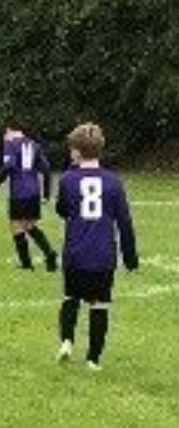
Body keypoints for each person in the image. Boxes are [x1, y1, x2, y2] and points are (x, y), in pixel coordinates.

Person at [54, 121, 139, 370]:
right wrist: (130, 256)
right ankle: (93, 359)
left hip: (75, 253)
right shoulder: (113, 182)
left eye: (72, 149)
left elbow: (61, 210)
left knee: (71, 297)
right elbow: (124, 221)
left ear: (77, 152)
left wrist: (71, 171)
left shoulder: (69, 179)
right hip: (103, 256)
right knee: (99, 305)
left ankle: (67, 340)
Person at [0, 121, 58, 272]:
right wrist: (46, 193)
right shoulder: (33, 144)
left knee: (16, 225)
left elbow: (9, 166)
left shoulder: (10, 143)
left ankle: (26, 264)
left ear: (9, 130)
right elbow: (47, 169)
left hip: (19, 192)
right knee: (29, 225)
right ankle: (50, 254)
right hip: (34, 192)